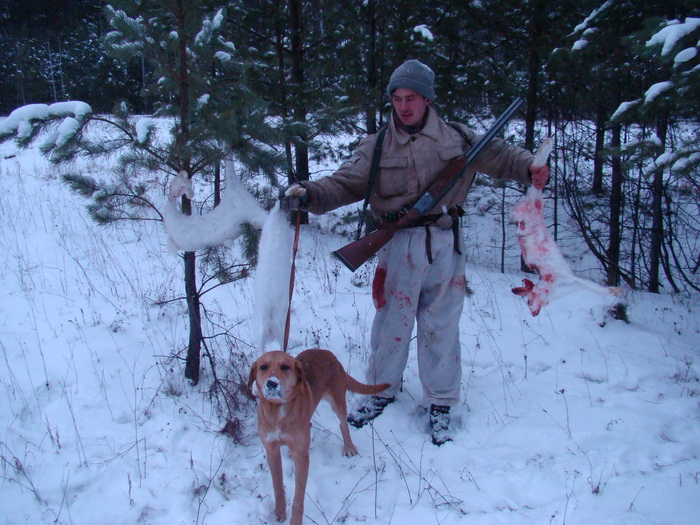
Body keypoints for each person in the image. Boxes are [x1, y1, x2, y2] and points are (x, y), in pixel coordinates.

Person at [281, 59, 549, 445]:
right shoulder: (376, 146)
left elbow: (503, 157)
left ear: (427, 99)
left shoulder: (457, 138)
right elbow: (342, 184)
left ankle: (440, 401)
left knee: (441, 324)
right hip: (398, 243)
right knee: (391, 323)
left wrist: (531, 168)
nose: (403, 106)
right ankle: (380, 391)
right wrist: (309, 195)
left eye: (411, 98)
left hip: (444, 241)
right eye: (397, 98)